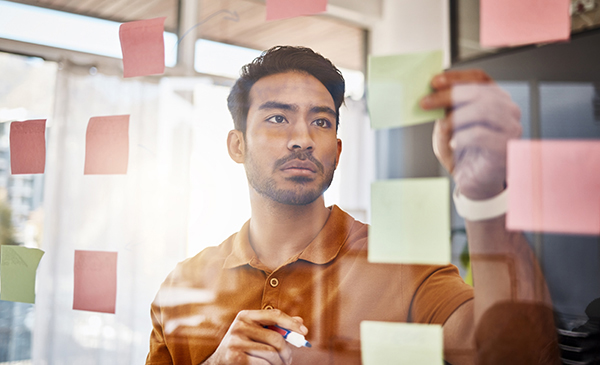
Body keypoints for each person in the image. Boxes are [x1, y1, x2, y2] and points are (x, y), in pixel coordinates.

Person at [146, 46, 559, 365]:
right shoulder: (181, 287)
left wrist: (486, 196)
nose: (303, 138)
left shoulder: (399, 265)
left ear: (337, 150)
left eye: (321, 121)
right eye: (277, 118)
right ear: (237, 146)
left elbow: (520, 358)